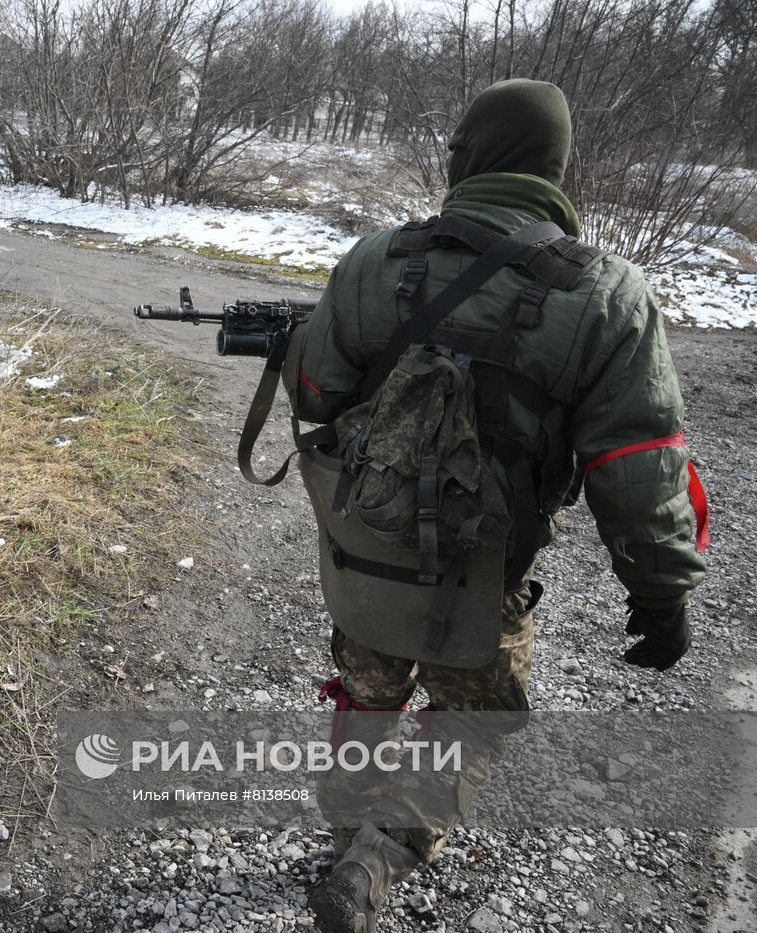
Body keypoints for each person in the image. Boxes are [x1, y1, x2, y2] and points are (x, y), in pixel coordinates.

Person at [287, 79, 709, 932]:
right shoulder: (606, 294)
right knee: (477, 710)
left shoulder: (378, 258)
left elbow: (315, 391)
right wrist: (660, 597)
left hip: (367, 560)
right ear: (555, 165)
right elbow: (637, 470)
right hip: (485, 578)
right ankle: (380, 856)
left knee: (367, 690)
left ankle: (344, 837)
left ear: (467, 158)